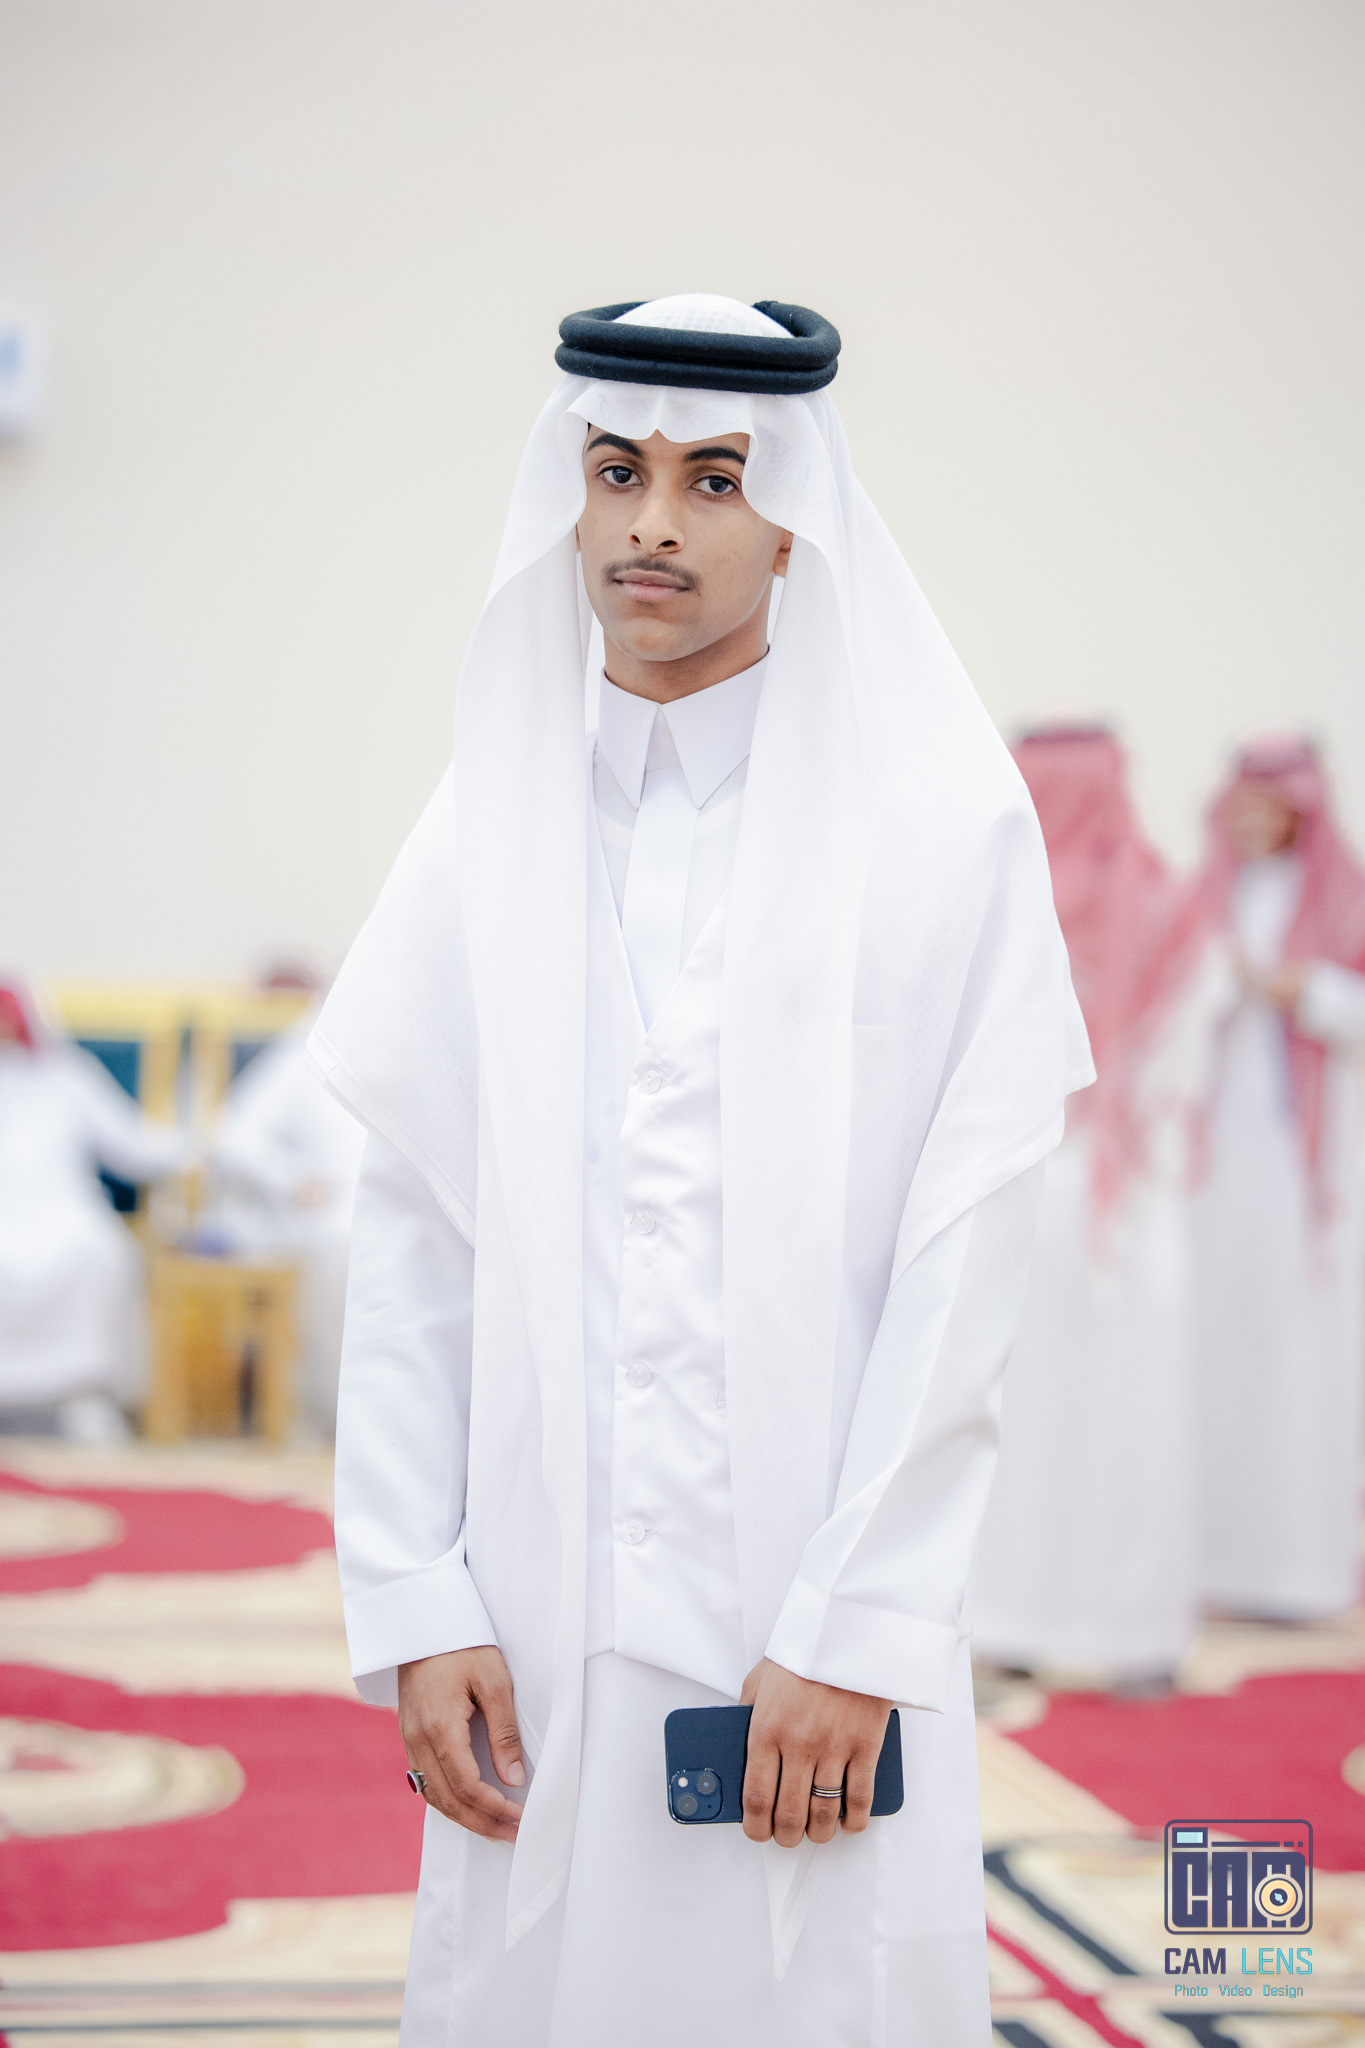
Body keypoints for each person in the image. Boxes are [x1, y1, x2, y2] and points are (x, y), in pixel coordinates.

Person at [309, 295, 1090, 2046]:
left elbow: (965, 1269)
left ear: (794, 517)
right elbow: (417, 1242)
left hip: (808, 1633)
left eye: (714, 478)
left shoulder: (937, 837)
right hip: (533, 1616)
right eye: (617, 472)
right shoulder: (480, 830)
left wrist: (858, 1626)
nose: (653, 521)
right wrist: (418, 1595)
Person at [972, 728, 1210, 1686]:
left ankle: (1061, 1625)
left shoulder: (1025, 902)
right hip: (1116, 1204)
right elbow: (1183, 1068)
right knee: (1077, 1414)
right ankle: (1070, 1627)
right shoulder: (1160, 905)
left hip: (1060, 1195)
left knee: (1070, 1415)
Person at [1190, 735, 1365, 1620]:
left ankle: (1299, 1571)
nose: (1252, 821)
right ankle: (1218, 1562)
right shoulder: (1209, 899)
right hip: (1220, 1167)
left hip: (1311, 1173)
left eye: (1269, 805)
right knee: (1222, 1346)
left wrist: (1314, 993)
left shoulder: (1342, 899)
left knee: (1302, 1353)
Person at [0, 976, 189, 1438]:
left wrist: (190, 1145)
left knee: (100, 1253)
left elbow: (133, 1145)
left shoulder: (67, 1075)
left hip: (61, 1207)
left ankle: (85, 1397)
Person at [207, 999, 365, 1436]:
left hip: (412, 1207)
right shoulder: (308, 1047)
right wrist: (291, 1178)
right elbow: (232, 1136)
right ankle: (340, 1414)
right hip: (330, 1211)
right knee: (344, 1245)